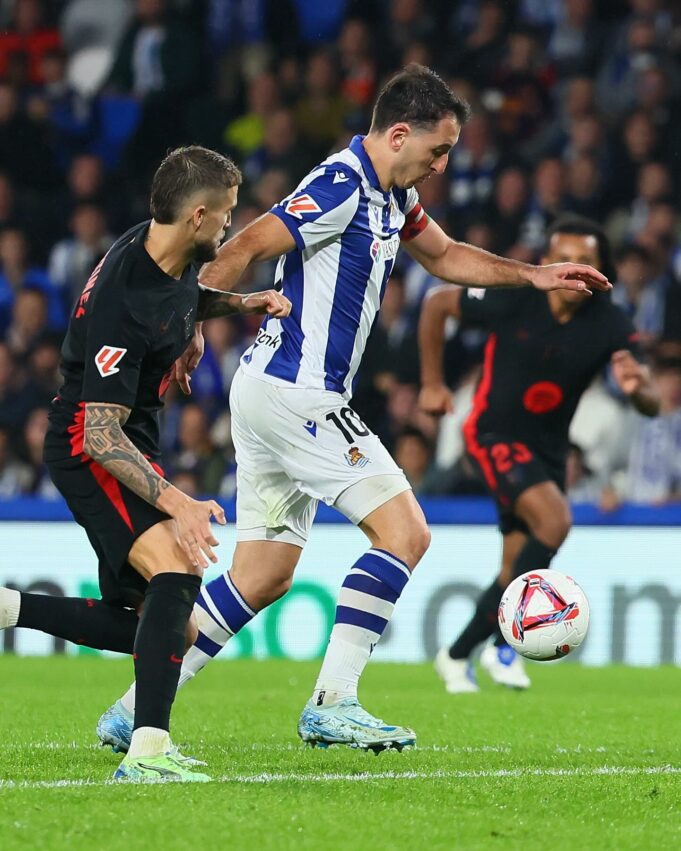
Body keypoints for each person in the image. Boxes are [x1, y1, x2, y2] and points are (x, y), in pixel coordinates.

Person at [98, 65, 610, 755]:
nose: (443, 163)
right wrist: (191, 324)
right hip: (295, 391)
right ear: (397, 134)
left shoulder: (393, 195)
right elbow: (246, 244)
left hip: (272, 392)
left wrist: (533, 273)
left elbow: (448, 255)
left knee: (262, 574)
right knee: (405, 532)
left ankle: (133, 708)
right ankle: (333, 699)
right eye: (437, 149)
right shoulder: (340, 184)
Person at [0, 145, 290, 782]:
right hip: (90, 448)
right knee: (181, 561)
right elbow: (102, 434)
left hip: (130, 439)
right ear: (198, 216)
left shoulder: (163, 245)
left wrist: (240, 305)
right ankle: (148, 753)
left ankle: (9, 610)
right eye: (226, 217)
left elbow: (183, 295)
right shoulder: (125, 301)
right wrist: (178, 501)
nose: (229, 228)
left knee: (172, 628)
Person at [417, 215, 659, 694]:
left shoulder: (609, 320)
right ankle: (507, 646)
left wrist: (638, 390)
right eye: (565, 258)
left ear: (600, 268)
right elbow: (436, 304)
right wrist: (431, 382)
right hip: (492, 435)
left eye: (586, 260)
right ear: (548, 262)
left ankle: (459, 654)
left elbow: (649, 402)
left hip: (547, 451)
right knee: (554, 522)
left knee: (515, 568)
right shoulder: (515, 297)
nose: (575, 269)